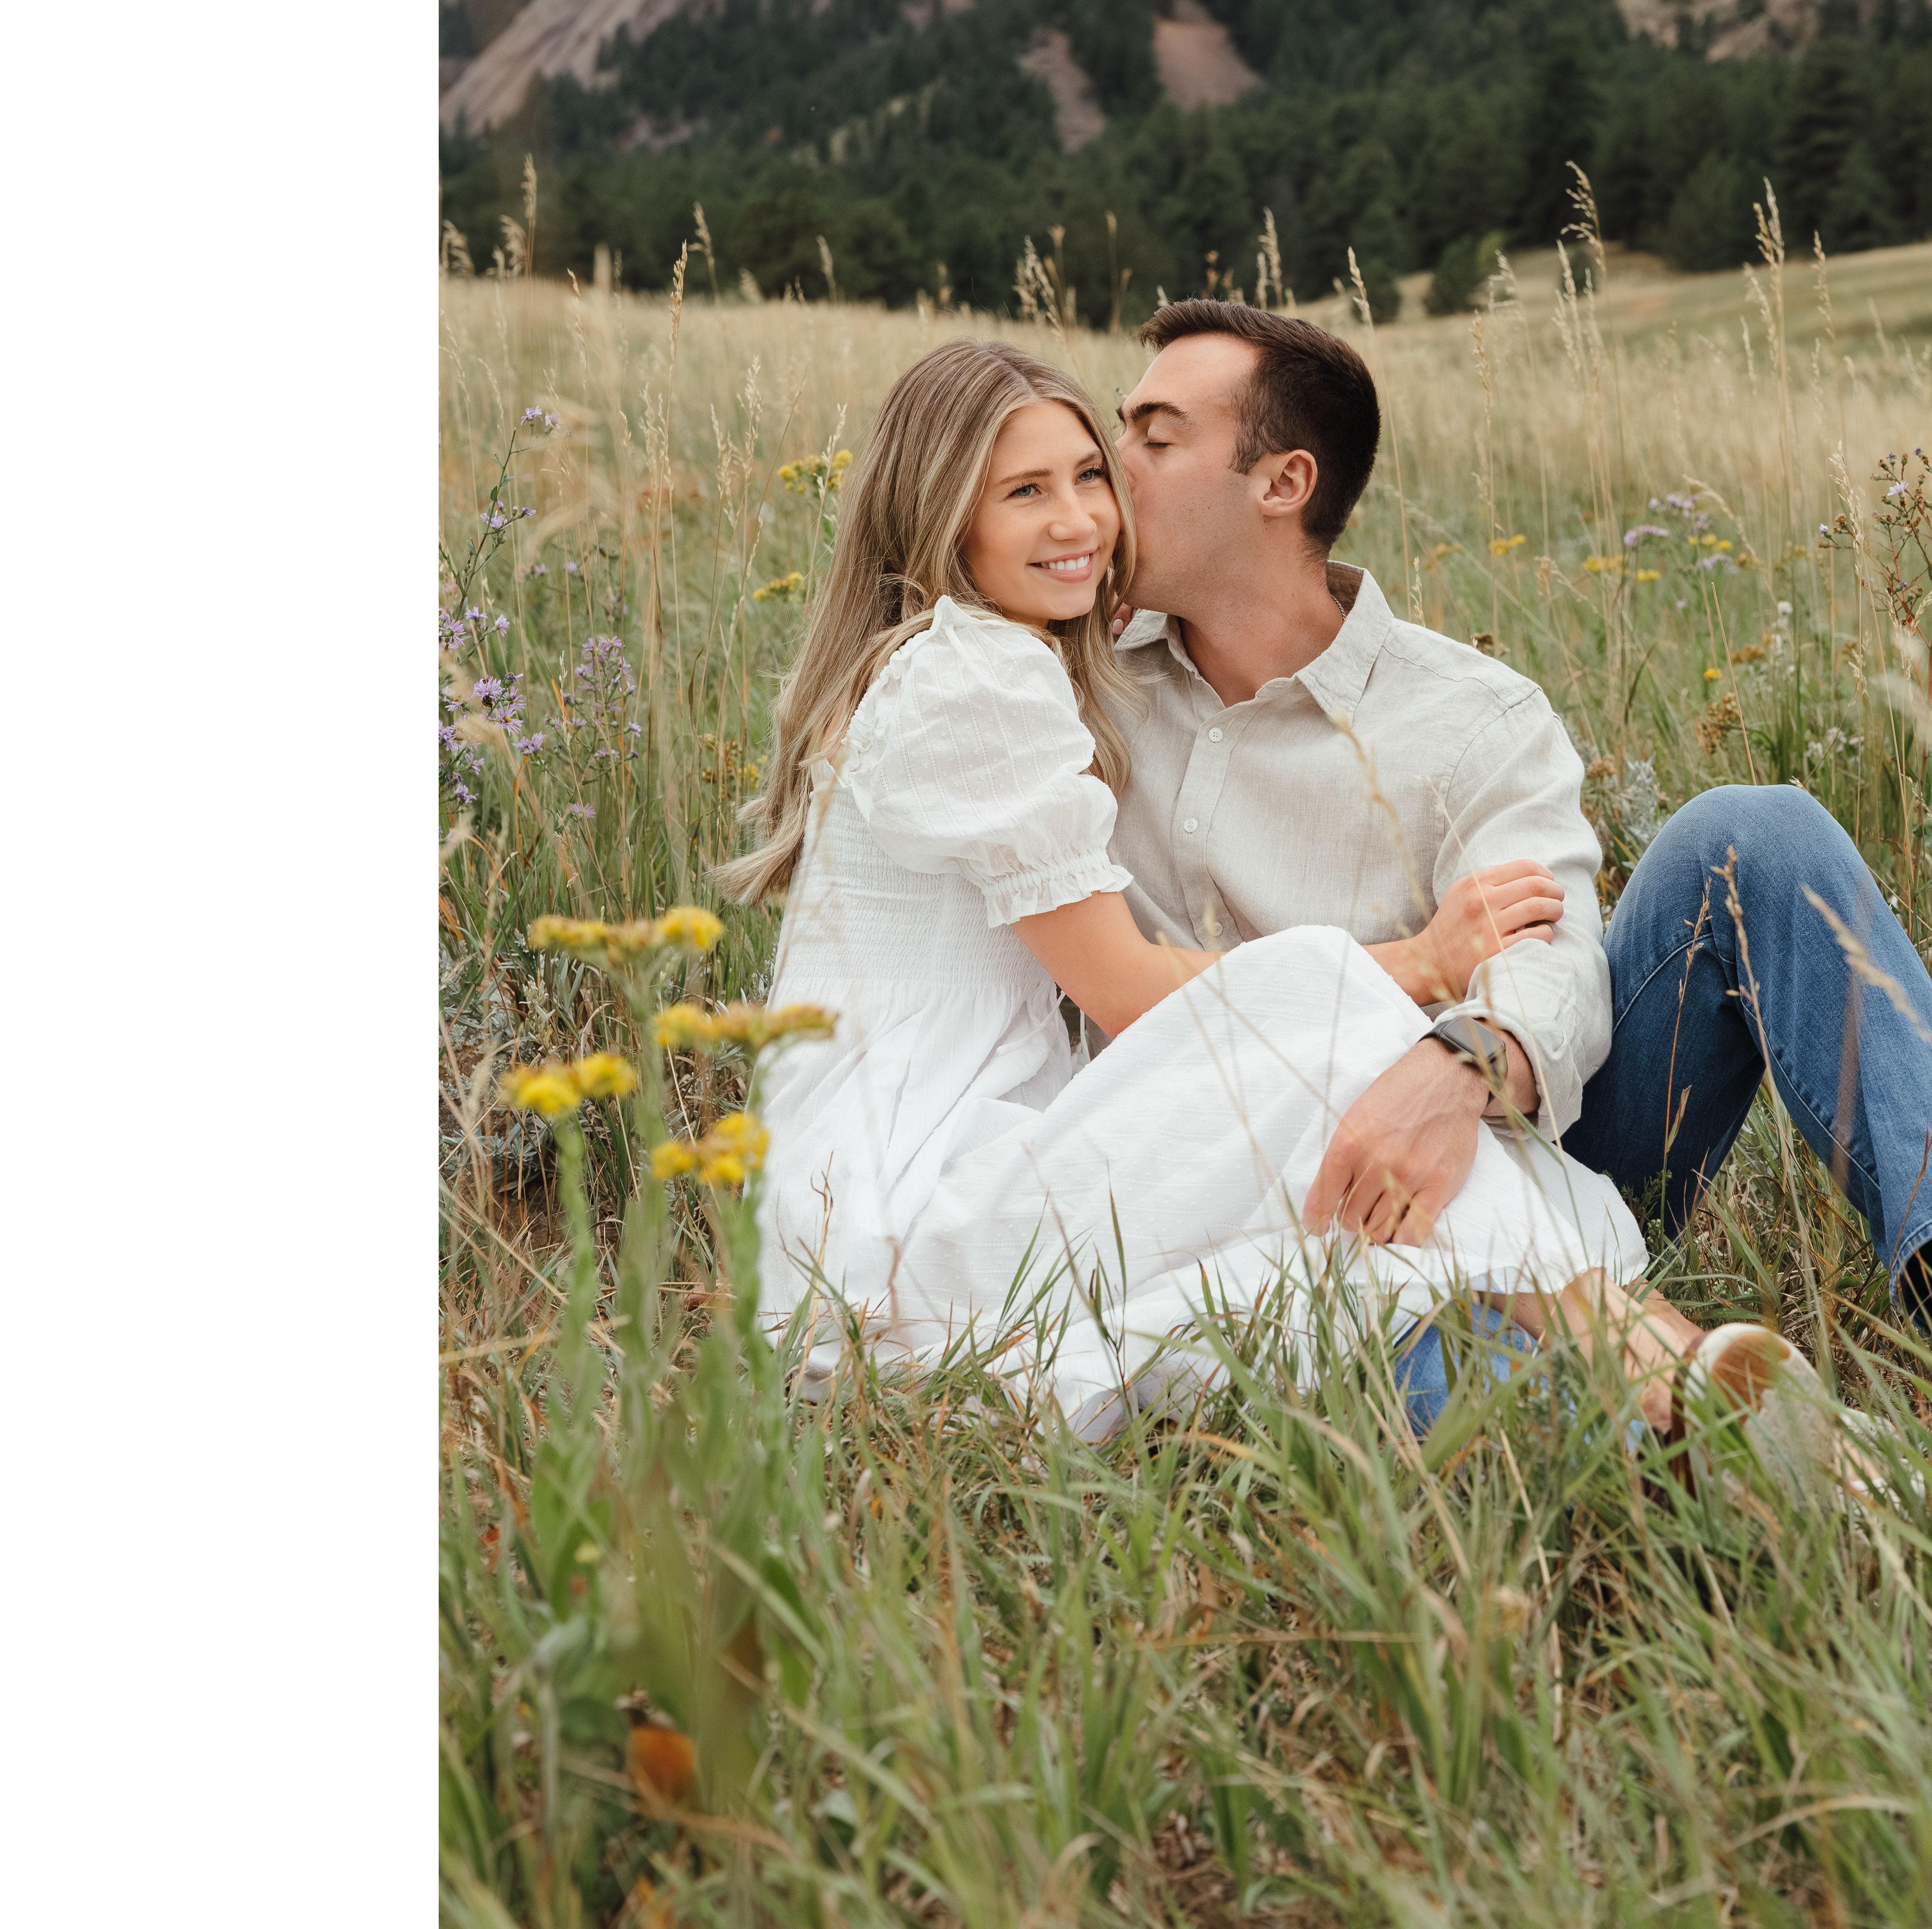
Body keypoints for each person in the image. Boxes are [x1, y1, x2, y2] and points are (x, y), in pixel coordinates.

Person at [717, 338, 1801, 1460]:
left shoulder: (979, 665)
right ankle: (1652, 1349)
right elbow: (1130, 993)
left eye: (1090, 475)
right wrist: (1421, 966)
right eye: (1025, 492)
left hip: (938, 1182)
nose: (1083, 516)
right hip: (906, 1210)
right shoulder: (973, 677)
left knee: (1343, 1235)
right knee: (1324, 1018)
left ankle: (1697, 1424)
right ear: (944, 518)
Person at [1101, 301, 1932, 1427]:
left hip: (1502, 1150)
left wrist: (1461, 1064)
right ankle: (1693, 1427)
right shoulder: (1069, 689)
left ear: (1282, 482)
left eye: (1155, 437)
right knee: (1448, 1353)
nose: (1110, 467)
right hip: (1246, 1208)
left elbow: (1545, 952)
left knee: (1758, 833)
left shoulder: (1467, 713)